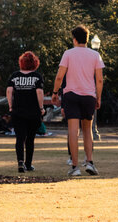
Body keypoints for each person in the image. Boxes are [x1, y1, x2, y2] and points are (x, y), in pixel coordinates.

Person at [52, 25, 104, 177]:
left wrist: (55, 92)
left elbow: (60, 76)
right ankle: (89, 161)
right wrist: (98, 97)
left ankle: (75, 166)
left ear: (74, 39)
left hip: (71, 95)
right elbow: (99, 79)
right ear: (87, 39)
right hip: (89, 95)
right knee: (87, 130)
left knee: (73, 132)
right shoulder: (95, 55)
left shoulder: (68, 54)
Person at [6, 51, 45, 172]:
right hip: (33, 112)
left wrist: (11, 106)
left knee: (20, 138)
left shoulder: (14, 76)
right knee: (30, 139)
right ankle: (28, 164)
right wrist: (41, 108)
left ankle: (20, 162)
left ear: (21, 62)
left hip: (18, 111)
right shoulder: (37, 76)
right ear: (35, 63)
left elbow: (9, 91)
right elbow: (39, 92)